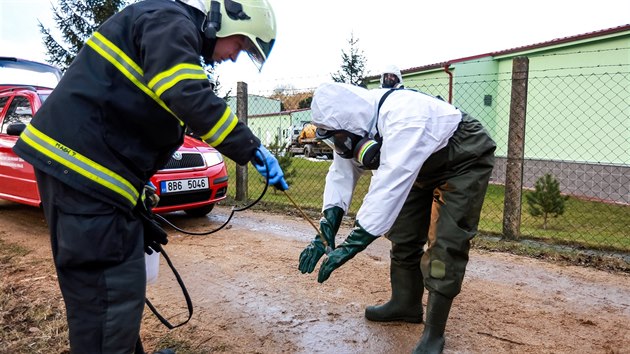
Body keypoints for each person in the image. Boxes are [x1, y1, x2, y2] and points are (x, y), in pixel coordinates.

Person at [13, 0, 287, 353]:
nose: (234, 57)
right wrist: (250, 147)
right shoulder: (170, 20)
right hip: (85, 177)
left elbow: (130, 118)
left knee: (114, 294)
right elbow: (187, 95)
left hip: (91, 178)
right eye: (242, 45)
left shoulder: (164, 28)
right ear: (224, 18)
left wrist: (133, 195)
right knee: (108, 294)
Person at [298, 82, 495, 354]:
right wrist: (325, 230)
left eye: (338, 140)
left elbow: (388, 187)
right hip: (419, 164)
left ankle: (434, 334)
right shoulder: (350, 122)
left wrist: (350, 245)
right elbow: (341, 174)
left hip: (462, 158)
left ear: (353, 128)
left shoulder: (404, 117)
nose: (338, 146)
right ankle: (406, 303)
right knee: (404, 235)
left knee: (445, 245)